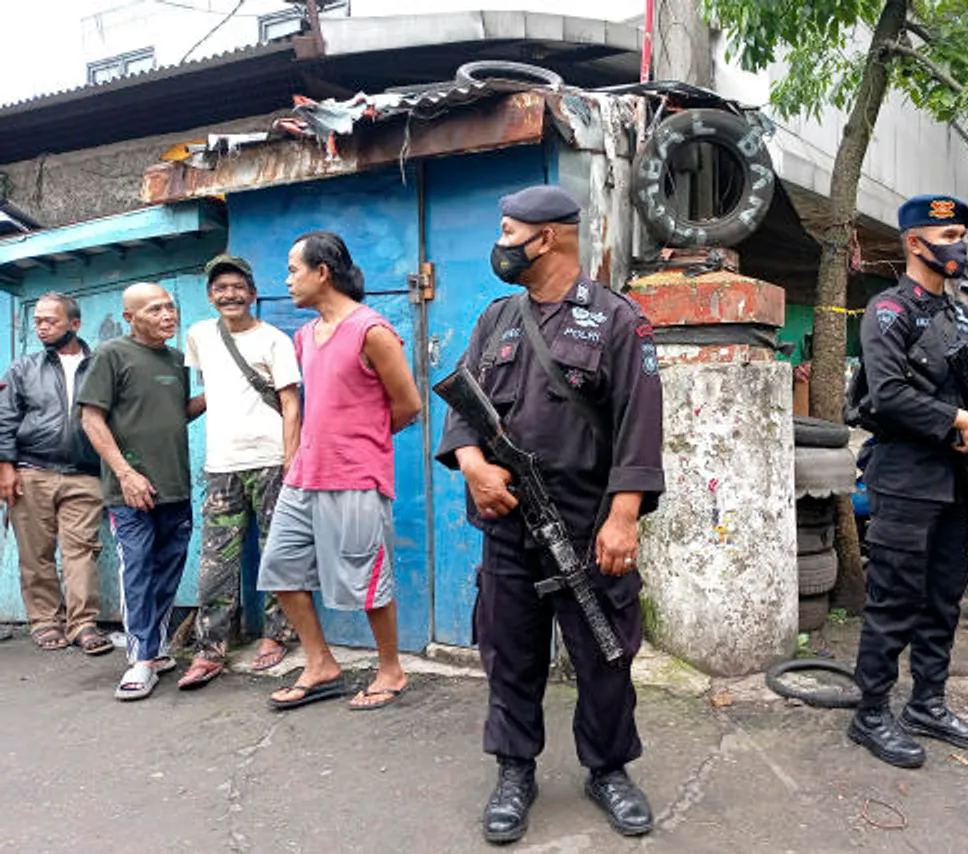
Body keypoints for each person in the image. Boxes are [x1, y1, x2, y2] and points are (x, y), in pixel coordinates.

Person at [436, 185, 665, 844]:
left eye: (510, 231)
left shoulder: (619, 320)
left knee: (605, 652)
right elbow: (464, 408)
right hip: (509, 528)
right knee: (508, 653)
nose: (501, 244)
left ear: (550, 236)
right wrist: (474, 467)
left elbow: (639, 423)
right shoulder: (496, 319)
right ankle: (514, 769)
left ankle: (609, 769)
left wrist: (624, 516)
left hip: (589, 529)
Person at [847, 194, 968, 769]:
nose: (958, 246)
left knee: (943, 598)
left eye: (961, 234)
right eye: (949, 234)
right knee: (894, 600)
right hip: (906, 479)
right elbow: (887, 395)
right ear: (916, 242)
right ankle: (871, 712)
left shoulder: (957, 314)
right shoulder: (889, 312)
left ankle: (927, 703)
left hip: (956, 481)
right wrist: (952, 420)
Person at [256, 231, 421, 712]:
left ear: (322, 272)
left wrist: (360, 442)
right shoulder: (305, 337)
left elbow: (407, 404)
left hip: (355, 476)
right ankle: (320, 663)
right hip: (305, 475)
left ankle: (391, 670)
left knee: (366, 579)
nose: (286, 280)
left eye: (293, 270)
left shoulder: (371, 331)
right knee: (281, 570)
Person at [176, 255, 302, 690]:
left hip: (270, 461)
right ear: (210, 296)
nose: (228, 294)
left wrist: (291, 456)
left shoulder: (274, 340)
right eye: (219, 288)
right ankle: (210, 649)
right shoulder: (199, 336)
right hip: (221, 466)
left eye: (237, 287)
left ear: (251, 293)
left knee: (277, 551)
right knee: (216, 559)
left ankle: (278, 634)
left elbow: (290, 402)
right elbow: (213, 391)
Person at [79, 283, 206, 700]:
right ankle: (140, 660)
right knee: (137, 570)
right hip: (130, 490)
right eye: (155, 309)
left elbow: (174, 415)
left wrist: (216, 393)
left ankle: (156, 648)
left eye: (170, 306)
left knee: (169, 569)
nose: (168, 315)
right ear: (130, 317)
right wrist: (126, 474)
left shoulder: (175, 359)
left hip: (175, 485)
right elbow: (92, 420)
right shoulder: (111, 354)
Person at [0, 293, 111, 655]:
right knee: (36, 552)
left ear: (74, 324)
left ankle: (83, 624)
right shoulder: (23, 368)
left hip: (85, 473)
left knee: (81, 550)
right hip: (32, 470)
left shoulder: (100, 366)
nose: (42, 326)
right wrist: (6, 468)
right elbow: (5, 419)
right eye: (38, 321)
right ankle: (45, 621)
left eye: (51, 320)